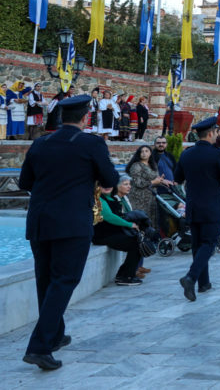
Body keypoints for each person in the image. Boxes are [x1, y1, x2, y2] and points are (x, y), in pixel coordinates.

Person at [18, 93, 119, 370]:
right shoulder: (91, 143)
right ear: (86, 117)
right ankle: (39, 347)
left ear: (60, 117)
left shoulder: (40, 143)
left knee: (46, 280)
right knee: (64, 281)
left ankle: (55, 335)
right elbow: (111, 179)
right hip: (72, 223)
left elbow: (25, 181)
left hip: (39, 221)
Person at [175, 116, 220, 301]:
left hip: (193, 205)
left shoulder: (186, 154)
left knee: (197, 245)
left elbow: (178, 177)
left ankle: (204, 283)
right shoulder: (217, 154)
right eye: (217, 132)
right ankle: (191, 277)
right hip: (211, 206)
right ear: (211, 133)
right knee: (209, 244)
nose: (218, 135)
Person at [93, 175, 144, 285]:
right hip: (103, 235)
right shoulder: (98, 199)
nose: (107, 187)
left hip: (112, 233)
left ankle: (125, 274)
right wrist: (129, 224)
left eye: (109, 184)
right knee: (136, 244)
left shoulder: (112, 197)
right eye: (103, 185)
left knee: (138, 242)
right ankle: (125, 277)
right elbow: (109, 216)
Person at [125, 145, 164, 227]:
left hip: (151, 197)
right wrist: (154, 182)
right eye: (142, 151)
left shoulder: (153, 165)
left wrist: (162, 181)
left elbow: (156, 179)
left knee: (152, 220)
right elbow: (138, 183)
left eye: (146, 151)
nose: (144, 153)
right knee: (141, 220)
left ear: (150, 153)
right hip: (139, 198)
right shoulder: (136, 166)